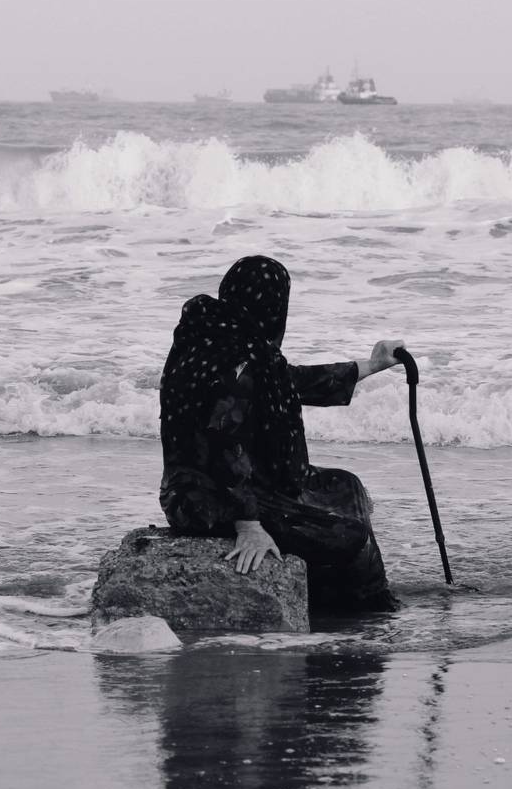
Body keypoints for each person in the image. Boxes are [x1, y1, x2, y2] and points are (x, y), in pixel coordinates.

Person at [158, 255, 404, 612]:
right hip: (206, 499)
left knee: (344, 485)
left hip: (223, 485)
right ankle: (366, 611)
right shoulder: (237, 360)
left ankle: (346, 589)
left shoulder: (220, 339)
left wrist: (372, 364)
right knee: (349, 536)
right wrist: (248, 526)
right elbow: (225, 443)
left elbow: (291, 381)